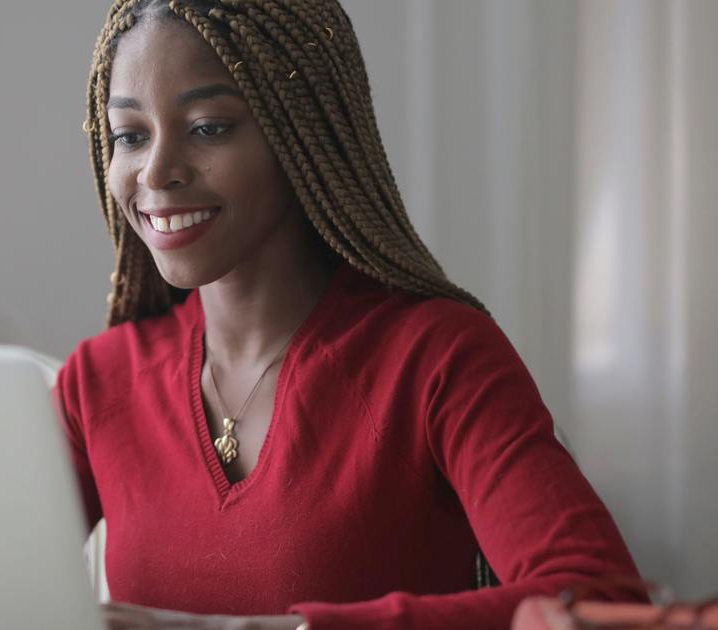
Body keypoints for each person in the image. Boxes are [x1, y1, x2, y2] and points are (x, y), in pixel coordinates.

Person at [54, 1, 642, 628]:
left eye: (208, 127)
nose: (156, 170)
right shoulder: (99, 381)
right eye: (130, 136)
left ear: (300, 130)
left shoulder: (437, 356)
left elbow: (601, 603)